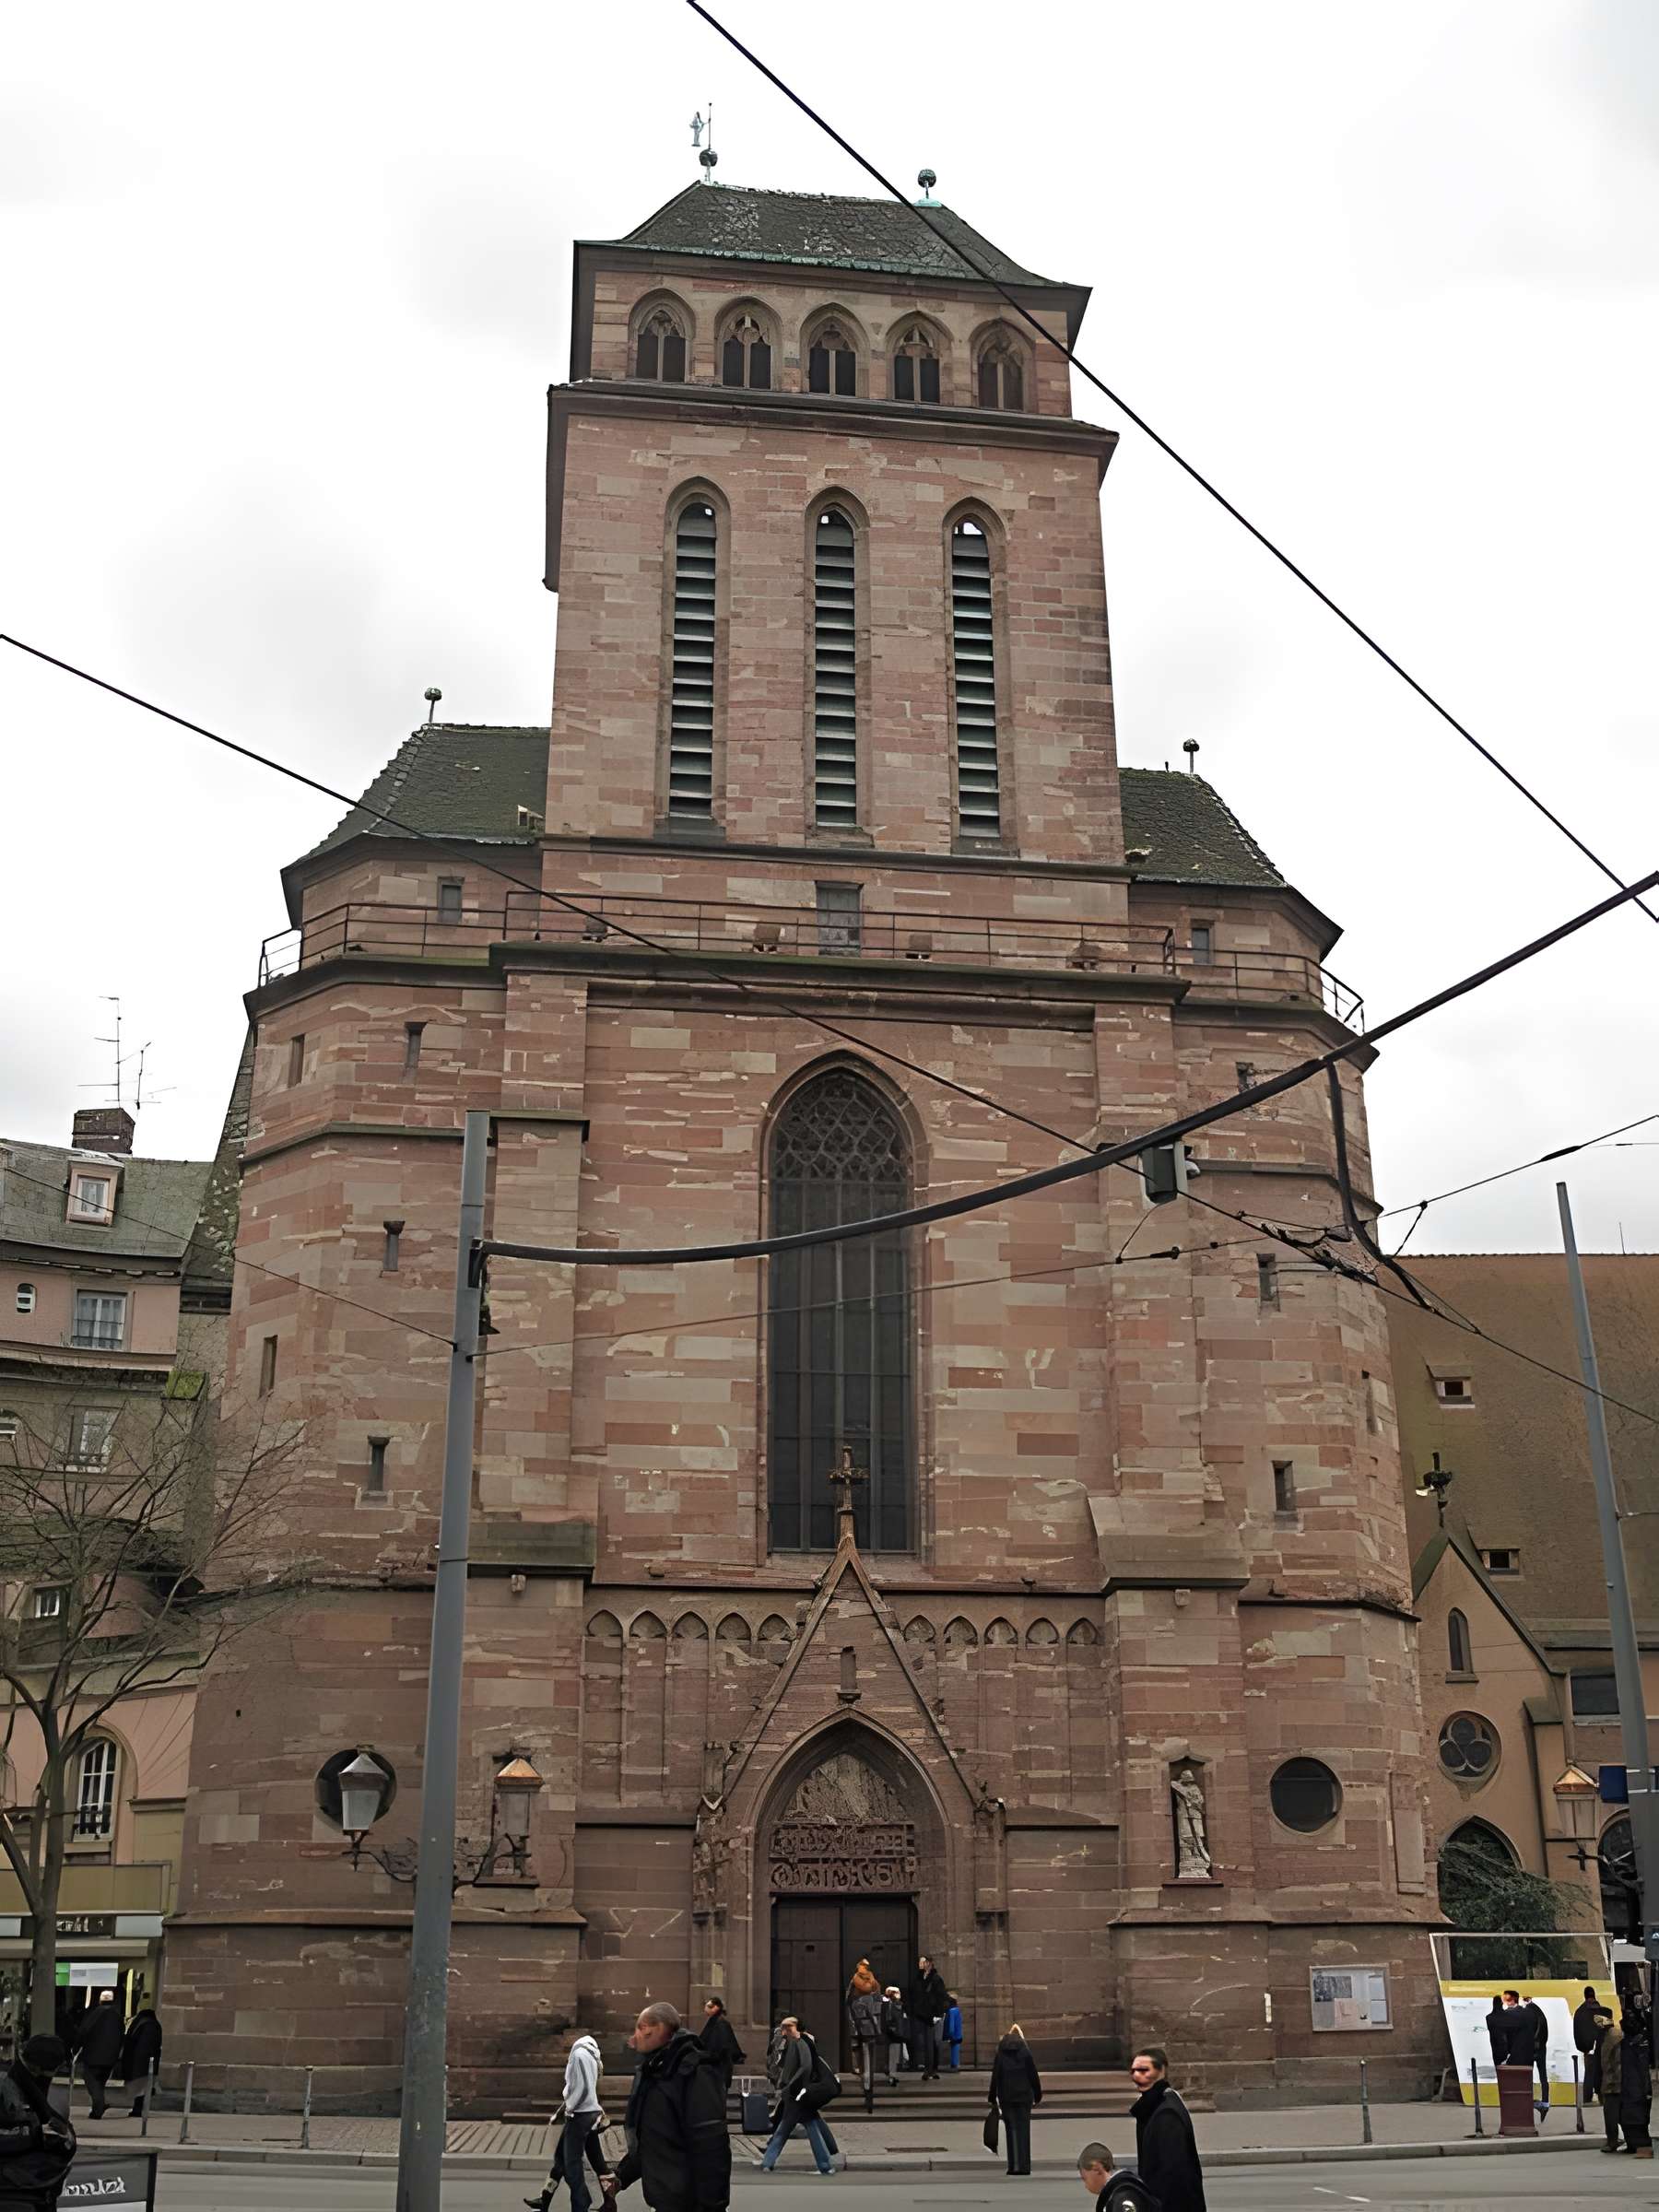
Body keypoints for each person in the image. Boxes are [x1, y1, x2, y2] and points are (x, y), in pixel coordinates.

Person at [602, 2002, 730, 2212]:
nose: (636, 2035)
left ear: (658, 2029)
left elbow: (711, 2145)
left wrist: (713, 2206)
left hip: (688, 2204)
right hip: (663, 2200)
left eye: (642, 2027)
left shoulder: (696, 2072)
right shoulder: (656, 2072)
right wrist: (621, 2177)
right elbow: (653, 2140)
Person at [0, 2032, 76, 2212]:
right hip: (13, 2188)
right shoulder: (7, 2086)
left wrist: (61, 2135)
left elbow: (60, 2129)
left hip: (36, 2186)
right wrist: (35, 2134)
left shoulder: (40, 2093)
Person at [1128, 2048, 1206, 2212]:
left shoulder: (1166, 2114)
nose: (1137, 2075)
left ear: (1161, 2071)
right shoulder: (1153, 2106)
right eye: (1134, 2071)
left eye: (1144, 2070)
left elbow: (1174, 2176)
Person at [756, 2018, 835, 2176]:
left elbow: (805, 2067)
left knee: (793, 2127)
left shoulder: (801, 2042)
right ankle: (825, 2163)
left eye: (788, 2027)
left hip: (798, 2092)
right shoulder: (794, 2042)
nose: (784, 2030)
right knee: (799, 2126)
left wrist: (790, 2085)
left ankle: (769, 2162)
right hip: (797, 2092)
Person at [1598, 2005, 1653, 2159]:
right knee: (1626, 2115)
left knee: (1623, 2115)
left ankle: (1633, 2145)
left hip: (1621, 2083)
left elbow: (1617, 2063)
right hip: (1624, 2083)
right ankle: (1632, 2144)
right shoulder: (1623, 2039)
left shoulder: (1619, 2039)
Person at [988, 2024, 1042, 2177]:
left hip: (1007, 2096)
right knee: (1024, 2130)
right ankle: (1024, 2166)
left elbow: (995, 2076)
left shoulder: (1001, 2054)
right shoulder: (1025, 2052)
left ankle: (1013, 2166)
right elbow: (1033, 2075)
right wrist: (1038, 2094)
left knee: (1011, 2130)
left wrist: (992, 2097)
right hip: (1024, 2096)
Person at [72, 1994, 124, 2122]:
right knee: (100, 2082)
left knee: (91, 2080)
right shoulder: (117, 2016)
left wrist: (75, 2048)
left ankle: (98, 2106)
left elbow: (83, 2031)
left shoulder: (94, 2014)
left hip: (93, 2055)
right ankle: (98, 2106)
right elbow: (122, 2035)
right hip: (110, 2057)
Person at [1077, 2138, 1162, 2212]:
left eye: (1085, 2178)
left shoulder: (1122, 2196)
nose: (1086, 2185)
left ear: (1097, 2168)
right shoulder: (1117, 2193)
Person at [844, 1963, 884, 2113]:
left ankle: (867, 2089)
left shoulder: (856, 1995)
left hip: (861, 2032)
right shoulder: (874, 1989)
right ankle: (868, 2091)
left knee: (863, 2064)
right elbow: (878, 2011)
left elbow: (848, 2005)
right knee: (868, 2064)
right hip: (869, 2032)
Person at [905, 1956, 947, 2080]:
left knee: (931, 2043)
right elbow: (912, 1995)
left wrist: (938, 2014)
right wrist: (911, 2010)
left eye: (924, 1962)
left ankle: (930, 2070)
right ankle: (927, 2068)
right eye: (921, 1962)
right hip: (919, 2014)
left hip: (930, 2015)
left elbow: (941, 1997)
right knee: (924, 2043)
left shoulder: (935, 1979)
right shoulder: (917, 1979)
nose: (922, 1964)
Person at [117, 2005, 162, 2120]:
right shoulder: (152, 2025)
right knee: (143, 2087)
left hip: (138, 2061)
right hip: (144, 2061)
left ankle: (137, 2109)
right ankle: (138, 2108)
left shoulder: (140, 2024)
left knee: (140, 2087)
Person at [698, 2001, 745, 2099]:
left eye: (708, 2006)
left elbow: (721, 2048)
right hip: (715, 2071)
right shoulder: (715, 2022)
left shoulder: (720, 2024)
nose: (705, 2009)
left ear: (715, 2008)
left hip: (718, 2071)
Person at [1515, 1990, 1550, 2119]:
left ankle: (1526, 2101)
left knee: (1527, 2076)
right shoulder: (1540, 2012)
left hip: (1530, 2049)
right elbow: (1545, 2031)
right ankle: (1545, 2103)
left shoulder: (1526, 2013)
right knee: (1543, 2076)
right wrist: (1541, 2045)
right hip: (1541, 2049)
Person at [1575, 1985, 1605, 2100]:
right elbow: (1606, 2026)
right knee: (1601, 2070)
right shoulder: (1600, 2010)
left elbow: (1577, 2030)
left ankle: (1587, 2097)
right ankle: (1601, 2095)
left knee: (1589, 2072)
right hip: (1601, 2045)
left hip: (1588, 2047)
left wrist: (1582, 2047)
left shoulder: (1580, 2011)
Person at [879, 1988, 908, 2086]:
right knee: (893, 2054)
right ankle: (892, 2074)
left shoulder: (893, 2005)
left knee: (893, 2054)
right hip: (894, 2033)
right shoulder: (892, 2006)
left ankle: (891, 2073)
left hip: (894, 2032)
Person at [945, 1996, 964, 2072]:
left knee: (953, 2050)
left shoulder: (951, 2011)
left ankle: (954, 2064)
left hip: (953, 2034)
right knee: (956, 2050)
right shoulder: (958, 2010)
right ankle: (955, 2064)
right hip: (959, 2034)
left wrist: (950, 2034)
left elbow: (951, 2025)